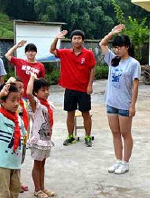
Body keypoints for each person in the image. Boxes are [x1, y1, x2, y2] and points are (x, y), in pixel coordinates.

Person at [99, 25, 141, 175]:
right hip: (111, 102)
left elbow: (135, 86)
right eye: (115, 47)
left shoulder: (133, 64)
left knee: (125, 133)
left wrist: (132, 105)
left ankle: (125, 162)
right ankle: (118, 160)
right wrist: (112, 33)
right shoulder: (112, 59)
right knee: (115, 132)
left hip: (124, 104)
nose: (117, 50)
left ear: (127, 47)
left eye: (120, 47)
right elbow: (102, 44)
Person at [50, 30, 96, 147]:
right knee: (70, 113)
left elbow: (92, 69)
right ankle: (70, 136)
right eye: (74, 38)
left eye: (79, 38)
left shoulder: (88, 54)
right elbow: (52, 50)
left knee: (86, 113)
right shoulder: (65, 53)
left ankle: (87, 136)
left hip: (83, 89)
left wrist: (90, 85)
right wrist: (56, 38)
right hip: (69, 89)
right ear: (71, 40)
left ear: (83, 40)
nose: (77, 40)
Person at [26, 73, 55, 198]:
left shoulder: (47, 104)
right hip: (38, 140)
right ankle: (37, 189)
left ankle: (42, 187)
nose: (46, 92)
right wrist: (32, 77)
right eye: (43, 90)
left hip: (46, 139)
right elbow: (28, 93)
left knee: (42, 164)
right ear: (36, 93)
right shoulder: (36, 105)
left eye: (47, 89)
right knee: (37, 165)